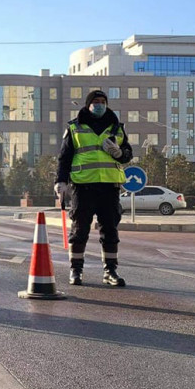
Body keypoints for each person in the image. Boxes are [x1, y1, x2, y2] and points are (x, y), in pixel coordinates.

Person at [54, 90, 132, 287]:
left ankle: (110, 271)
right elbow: (64, 157)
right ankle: (76, 270)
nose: (99, 105)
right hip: (83, 186)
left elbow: (128, 154)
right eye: (96, 101)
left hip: (110, 186)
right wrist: (60, 181)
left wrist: (119, 153)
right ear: (88, 104)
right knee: (80, 229)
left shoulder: (117, 127)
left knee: (110, 230)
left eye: (103, 101)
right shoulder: (75, 127)